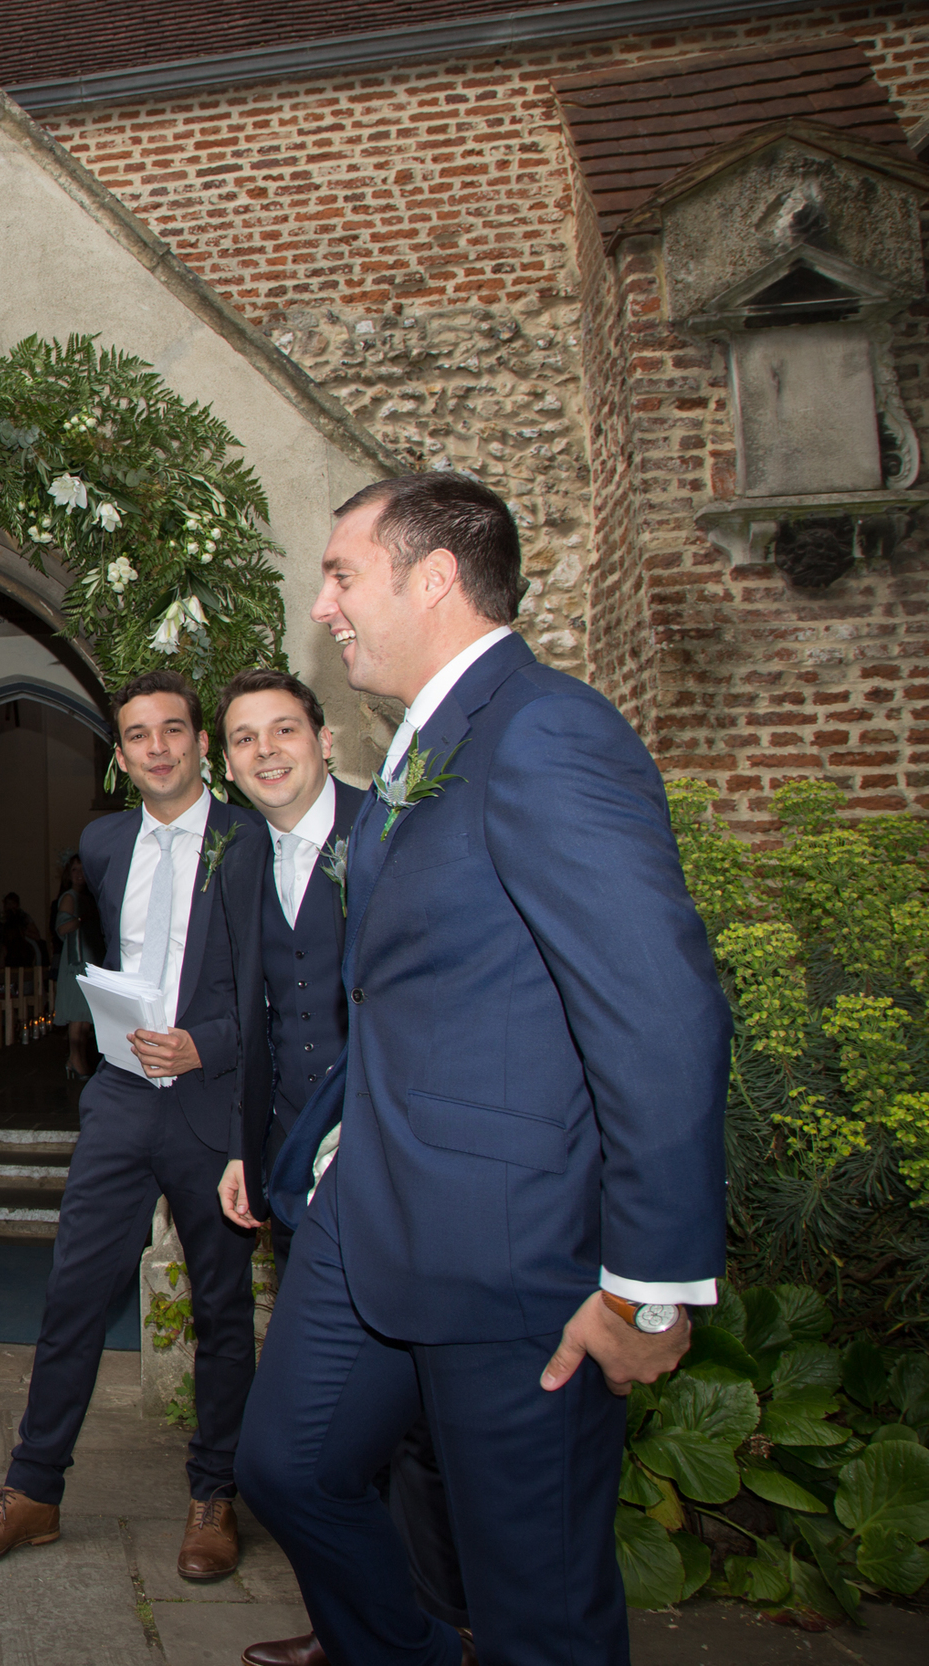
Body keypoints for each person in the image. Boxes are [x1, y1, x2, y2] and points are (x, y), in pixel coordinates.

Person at [236, 473, 728, 1666]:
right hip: (376, 1212)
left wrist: (648, 1282)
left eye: (343, 573)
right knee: (286, 1468)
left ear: (435, 577)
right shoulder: (425, 743)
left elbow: (659, 1009)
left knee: (532, 1608)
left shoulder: (545, 731)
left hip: (517, 1250)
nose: (325, 603)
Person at [0, 668, 262, 1582]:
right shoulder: (104, 842)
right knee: (73, 1295)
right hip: (121, 1101)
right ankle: (33, 1491)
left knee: (221, 1309)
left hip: (215, 1103)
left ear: (201, 743)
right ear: (119, 757)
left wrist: (207, 1045)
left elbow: (284, 992)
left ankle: (214, 1494)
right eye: (137, 736)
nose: (157, 747)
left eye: (172, 730)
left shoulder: (251, 841)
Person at [211, 668, 468, 1666]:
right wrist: (245, 1147)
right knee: (325, 1433)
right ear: (227, 764)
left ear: (325, 740)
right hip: (294, 1172)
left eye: (282, 729)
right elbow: (258, 1021)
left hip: (398, 1172)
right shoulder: (237, 864)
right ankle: (349, 1626)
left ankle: (439, 1624)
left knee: (414, 1434)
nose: (264, 750)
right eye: (242, 739)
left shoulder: (392, 833)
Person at [51, 854, 94, 1079]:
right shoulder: (69, 897)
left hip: (89, 961)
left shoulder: (89, 897)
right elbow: (62, 929)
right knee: (78, 1017)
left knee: (85, 1018)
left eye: (83, 870)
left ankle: (76, 1060)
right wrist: (82, 919)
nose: (79, 875)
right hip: (75, 963)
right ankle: (76, 1061)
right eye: (75, 870)